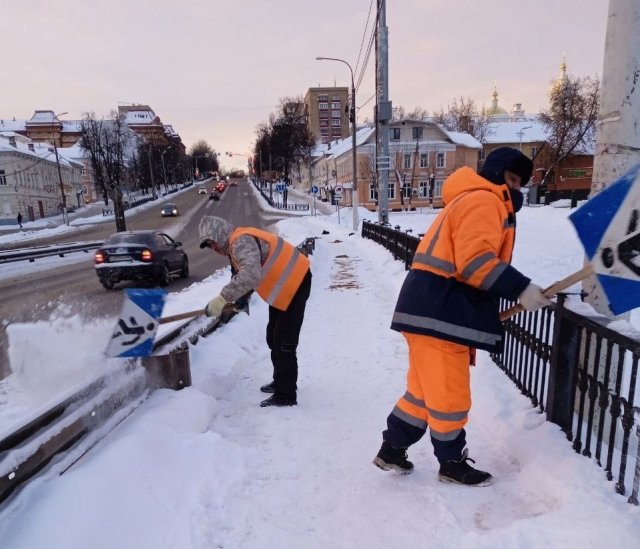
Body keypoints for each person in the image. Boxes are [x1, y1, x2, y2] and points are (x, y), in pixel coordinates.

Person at [373, 147, 551, 486]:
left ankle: (392, 448)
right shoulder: (485, 201)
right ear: (498, 174)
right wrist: (521, 288)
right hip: (442, 313)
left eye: (520, 183)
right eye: (512, 179)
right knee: (450, 395)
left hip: (428, 310)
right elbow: (475, 263)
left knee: (423, 393)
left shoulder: (468, 198)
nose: (516, 189)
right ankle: (452, 463)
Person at [199, 215, 312, 407]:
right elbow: (243, 275)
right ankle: (281, 381)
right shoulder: (235, 247)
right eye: (210, 247)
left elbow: (250, 274)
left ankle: (286, 395)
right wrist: (240, 299)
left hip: (295, 283)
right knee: (272, 337)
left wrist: (223, 298)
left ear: (219, 235)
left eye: (212, 243)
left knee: (284, 342)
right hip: (284, 288)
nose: (214, 249)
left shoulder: (240, 241)